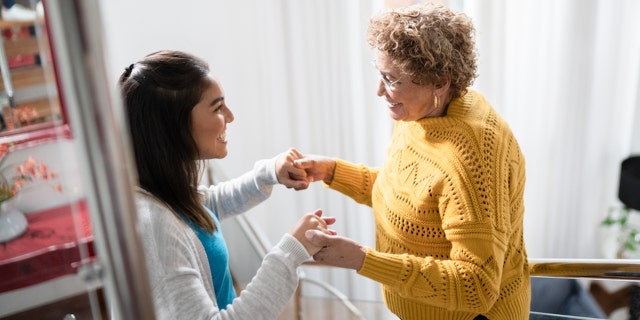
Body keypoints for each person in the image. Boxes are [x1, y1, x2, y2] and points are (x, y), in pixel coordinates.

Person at [294, 3, 530, 319]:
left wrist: (363, 260)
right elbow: (410, 193)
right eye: (380, 75)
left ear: (440, 81)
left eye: (392, 79)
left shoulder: (472, 157)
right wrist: (332, 171)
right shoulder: (420, 112)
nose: (380, 90)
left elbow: (478, 286)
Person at [119, 50, 334, 320]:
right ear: (174, 125)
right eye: (218, 108)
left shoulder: (166, 195)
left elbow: (210, 204)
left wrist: (270, 172)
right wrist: (290, 253)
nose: (230, 117)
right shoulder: (155, 225)